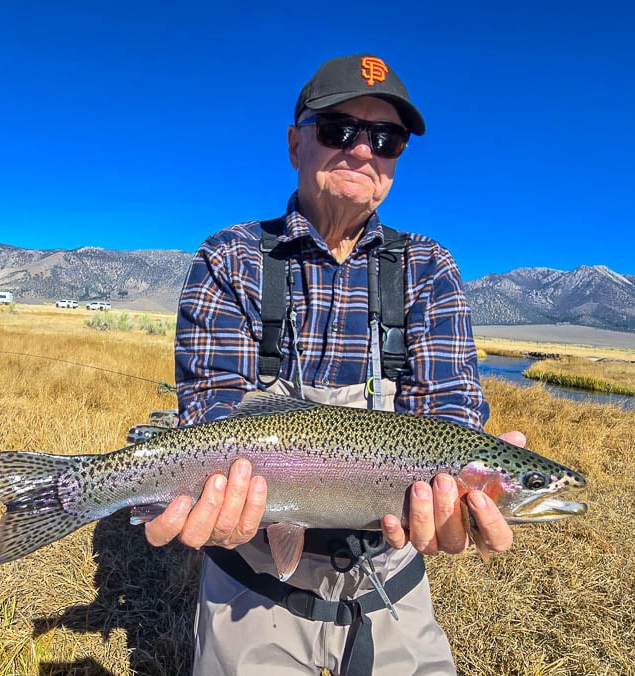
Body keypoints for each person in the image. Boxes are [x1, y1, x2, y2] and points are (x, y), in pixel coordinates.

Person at [145, 54, 526, 675]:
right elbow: (211, 414)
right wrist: (201, 497)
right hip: (251, 573)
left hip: (390, 573)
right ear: (295, 143)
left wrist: (459, 505)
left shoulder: (429, 269)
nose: (361, 150)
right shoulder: (230, 258)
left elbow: (451, 414)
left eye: (385, 138)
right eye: (337, 130)